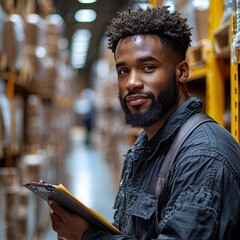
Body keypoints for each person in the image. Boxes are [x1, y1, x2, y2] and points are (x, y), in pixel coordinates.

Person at [48, 6, 240, 239]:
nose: (132, 82)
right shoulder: (146, 145)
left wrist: (88, 236)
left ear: (181, 72)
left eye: (148, 67)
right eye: (123, 71)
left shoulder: (203, 156)